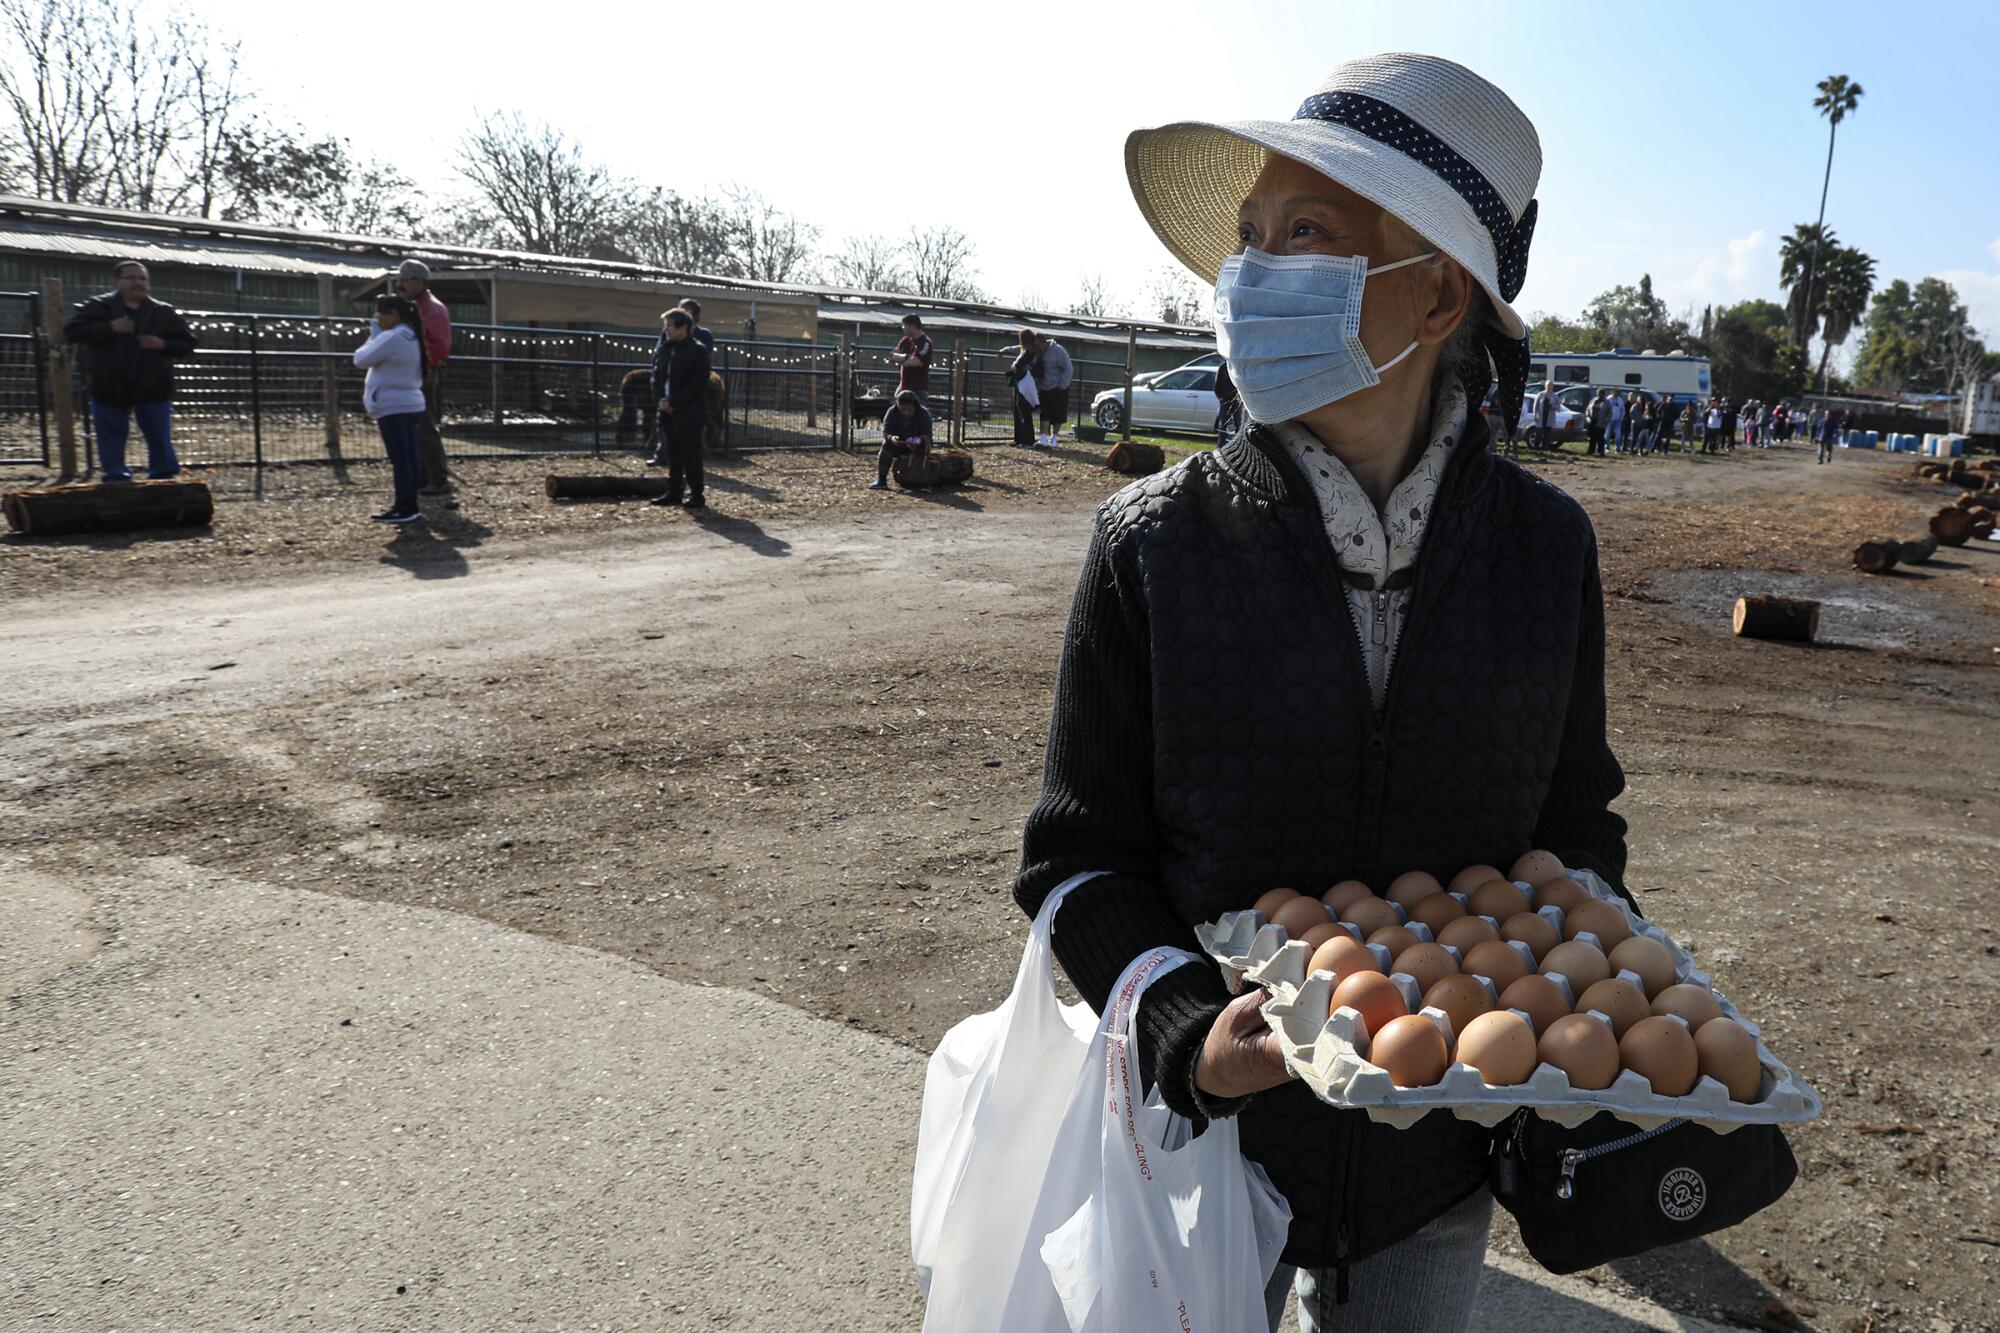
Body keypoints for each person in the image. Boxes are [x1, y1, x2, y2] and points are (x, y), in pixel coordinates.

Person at [1016, 54, 1626, 1333]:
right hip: (1206, 1158)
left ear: (1434, 295)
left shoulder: (1544, 550)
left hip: (1435, 1164)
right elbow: (1076, 863)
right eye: (1248, 237)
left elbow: (1575, 828)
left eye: (1307, 236)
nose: (1250, 274)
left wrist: (1587, 975)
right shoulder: (1151, 543)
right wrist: (1191, 1034)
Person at [63, 260, 197, 482]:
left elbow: (188, 343)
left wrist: (162, 344)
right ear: (117, 281)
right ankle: (116, 477)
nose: (138, 283)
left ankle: (163, 477)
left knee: (159, 436)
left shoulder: (162, 312)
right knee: (111, 435)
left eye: (143, 279)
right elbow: (73, 331)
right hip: (110, 385)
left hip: (153, 386)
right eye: (132, 278)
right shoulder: (100, 307)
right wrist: (109, 328)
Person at [352, 295, 430, 524]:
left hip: (393, 405)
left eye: (380, 315)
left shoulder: (393, 336)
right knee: (409, 457)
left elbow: (361, 359)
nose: (378, 319)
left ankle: (404, 507)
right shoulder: (412, 335)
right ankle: (410, 505)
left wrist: (374, 335)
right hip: (411, 402)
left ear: (393, 314)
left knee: (400, 459)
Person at [394, 260, 453, 495]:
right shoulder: (420, 306)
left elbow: (438, 345)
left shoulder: (431, 309)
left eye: (404, 280)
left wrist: (423, 365)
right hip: (419, 370)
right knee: (417, 425)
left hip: (424, 371)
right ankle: (425, 475)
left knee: (425, 426)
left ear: (417, 281)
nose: (401, 285)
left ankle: (438, 478)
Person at [649, 309, 713, 509]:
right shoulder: (665, 349)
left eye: (669, 325)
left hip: (689, 412)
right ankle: (674, 492)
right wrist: (660, 401)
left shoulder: (698, 351)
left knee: (691, 455)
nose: (665, 329)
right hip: (667, 411)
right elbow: (656, 377)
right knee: (673, 454)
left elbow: (698, 383)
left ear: (683, 327)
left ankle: (696, 494)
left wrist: (674, 402)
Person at [870, 388, 932, 489]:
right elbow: (886, 432)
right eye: (903, 409)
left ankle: (925, 482)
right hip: (898, 444)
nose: (906, 412)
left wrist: (919, 441)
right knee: (886, 445)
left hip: (918, 444)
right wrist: (891, 438)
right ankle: (882, 480)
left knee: (925, 448)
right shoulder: (891, 412)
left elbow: (927, 435)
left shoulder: (924, 414)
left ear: (915, 406)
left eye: (909, 410)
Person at [1035, 333, 1074, 447]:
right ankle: (1043, 438)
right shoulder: (1039, 351)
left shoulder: (1058, 351)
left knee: (1058, 414)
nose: (1037, 348)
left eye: (1038, 346)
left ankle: (1054, 437)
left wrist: (1062, 385)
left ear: (1043, 343)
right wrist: (1005, 350)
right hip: (1044, 387)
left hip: (1057, 388)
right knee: (1044, 413)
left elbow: (1068, 368)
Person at [1008, 329, 1042, 447]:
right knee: (1019, 411)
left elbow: (1018, 365)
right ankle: (1019, 439)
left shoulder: (1030, 352)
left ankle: (1027, 439)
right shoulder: (1028, 351)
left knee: (1024, 410)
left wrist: (1014, 366)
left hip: (1025, 383)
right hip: (1021, 382)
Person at [891, 314, 933, 398]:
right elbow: (892, 356)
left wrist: (902, 359)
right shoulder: (905, 340)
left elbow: (915, 362)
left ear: (912, 326)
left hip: (918, 388)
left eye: (904, 326)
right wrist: (907, 357)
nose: (903, 329)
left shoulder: (925, 342)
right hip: (902, 386)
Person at [1214, 359, 1242, 445]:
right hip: (1225, 401)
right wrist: (1220, 398)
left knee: (1238, 424)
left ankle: (1238, 444)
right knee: (1223, 424)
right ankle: (1221, 444)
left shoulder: (1238, 367)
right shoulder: (1223, 367)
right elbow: (1217, 384)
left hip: (1237, 401)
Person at [1530, 379, 1557, 452]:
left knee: (1547, 435)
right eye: (1547, 385)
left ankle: (1544, 449)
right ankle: (1536, 448)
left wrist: (1554, 407)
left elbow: (1559, 406)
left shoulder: (1555, 396)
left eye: (1550, 385)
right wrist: (1535, 414)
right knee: (1538, 433)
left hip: (1549, 418)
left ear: (1552, 387)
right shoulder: (1540, 394)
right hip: (1540, 417)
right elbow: (1535, 405)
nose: (1549, 387)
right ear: (1545, 386)